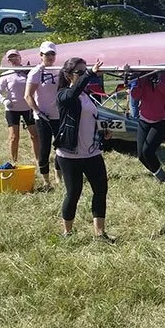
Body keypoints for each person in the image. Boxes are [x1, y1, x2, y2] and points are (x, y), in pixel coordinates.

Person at [55, 57, 113, 242]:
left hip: (92, 152)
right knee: (74, 193)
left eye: (84, 71)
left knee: (101, 190)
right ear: (68, 75)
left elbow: (90, 118)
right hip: (69, 154)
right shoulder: (63, 95)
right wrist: (89, 74)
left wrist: (102, 131)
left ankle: (99, 234)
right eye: (79, 72)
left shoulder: (86, 95)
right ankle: (67, 234)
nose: (84, 75)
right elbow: (72, 95)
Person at [129, 70, 165, 182]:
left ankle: (163, 179)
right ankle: (158, 173)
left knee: (148, 151)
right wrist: (133, 82)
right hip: (145, 118)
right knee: (141, 155)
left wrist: (158, 83)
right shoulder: (143, 76)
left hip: (163, 119)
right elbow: (135, 95)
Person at [25, 41, 61, 190]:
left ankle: (59, 177)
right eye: (47, 54)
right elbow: (28, 96)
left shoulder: (59, 70)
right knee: (44, 148)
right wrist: (38, 112)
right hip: (43, 117)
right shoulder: (36, 72)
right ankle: (46, 180)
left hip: (58, 115)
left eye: (52, 54)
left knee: (60, 147)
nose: (50, 57)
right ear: (41, 55)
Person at [0, 49, 40, 164]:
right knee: (14, 137)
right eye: (10, 58)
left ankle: (38, 159)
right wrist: (4, 101)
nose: (13, 59)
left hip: (28, 108)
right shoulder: (6, 74)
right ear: (8, 61)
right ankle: (14, 161)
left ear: (20, 58)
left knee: (34, 135)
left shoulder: (28, 72)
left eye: (15, 57)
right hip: (12, 109)